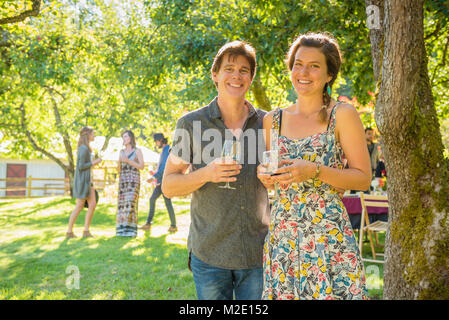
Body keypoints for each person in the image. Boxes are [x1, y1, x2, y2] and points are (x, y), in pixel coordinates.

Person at [257, 32, 371, 300]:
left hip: (327, 236)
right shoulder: (271, 120)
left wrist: (315, 171)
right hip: (283, 233)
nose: (303, 72)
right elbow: (270, 170)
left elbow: (363, 178)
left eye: (314, 65)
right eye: (298, 63)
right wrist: (265, 176)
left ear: (329, 74)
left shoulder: (342, 114)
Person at [162, 40, 269, 300]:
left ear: (251, 78)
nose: (236, 75)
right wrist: (206, 174)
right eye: (229, 68)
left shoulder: (269, 123)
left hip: (257, 253)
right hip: (209, 253)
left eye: (244, 70)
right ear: (215, 75)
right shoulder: (190, 124)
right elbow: (168, 185)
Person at [66, 126, 102, 239]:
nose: (94, 136)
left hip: (87, 181)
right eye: (93, 134)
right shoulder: (83, 148)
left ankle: (86, 231)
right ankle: (69, 232)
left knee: (92, 204)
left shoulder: (86, 148)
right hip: (82, 181)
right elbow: (81, 166)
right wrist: (94, 162)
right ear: (87, 135)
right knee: (79, 205)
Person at [140, 133, 177, 233]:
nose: (156, 144)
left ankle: (172, 226)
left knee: (161, 201)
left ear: (160, 140)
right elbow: (162, 168)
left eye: (156, 142)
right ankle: (171, 225)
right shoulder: (165, 150)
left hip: (164, 182)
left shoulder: (166, 150)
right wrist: (155, 174)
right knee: (158, 201)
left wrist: (153, 177)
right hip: (162, 181)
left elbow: (164, 168)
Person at [116, 130, 144, 237]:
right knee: (123, 205)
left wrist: (129, 161)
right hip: (123, 181)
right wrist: (119, 164)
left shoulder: (137, 151)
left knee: (131, 203)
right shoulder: (121, 152)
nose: (124, 139)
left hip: (133, 180)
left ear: (131, 138)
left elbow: (141, 166)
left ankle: (131, 230)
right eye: (123, 137)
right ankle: (121, 230)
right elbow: (118, 169)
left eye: (126, 136)